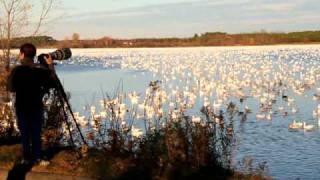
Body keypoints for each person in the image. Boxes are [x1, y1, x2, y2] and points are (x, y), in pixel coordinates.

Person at [7, 43, 56, 165]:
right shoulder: (41, 69)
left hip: (22, 106)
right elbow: (52, 82)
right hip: (36, 105)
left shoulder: (17, 70)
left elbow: (11, 88)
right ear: (34, 55)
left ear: (22, 54)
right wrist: (50, 65)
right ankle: (37, 156)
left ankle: (27, 158)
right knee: (35, 131)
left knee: (24, 132)